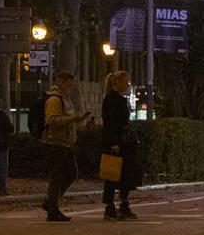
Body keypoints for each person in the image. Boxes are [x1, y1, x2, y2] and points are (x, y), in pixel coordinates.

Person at [42, 72, 94, 222]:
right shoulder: (54, 100)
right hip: (55, 143)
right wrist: (73, 119)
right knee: (57, 177)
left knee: (70, 173)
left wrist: (79, 120)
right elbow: (52, 120)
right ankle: (52, 208)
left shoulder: (65, 100)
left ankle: (51, 203)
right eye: (69, 85)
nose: (71, 89)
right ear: (61, 83)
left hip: (64, 143)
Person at [101, 70, 141, 220]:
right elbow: (110, 123)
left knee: (126, 175)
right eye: (126, 82)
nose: (128, 85)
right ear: (117, 82)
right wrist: (114, 143)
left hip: (124, 143)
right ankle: (110, 207)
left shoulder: (118, 99)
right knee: (112, 175)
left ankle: (123, 204)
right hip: (117, 143)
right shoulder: (112, 100)